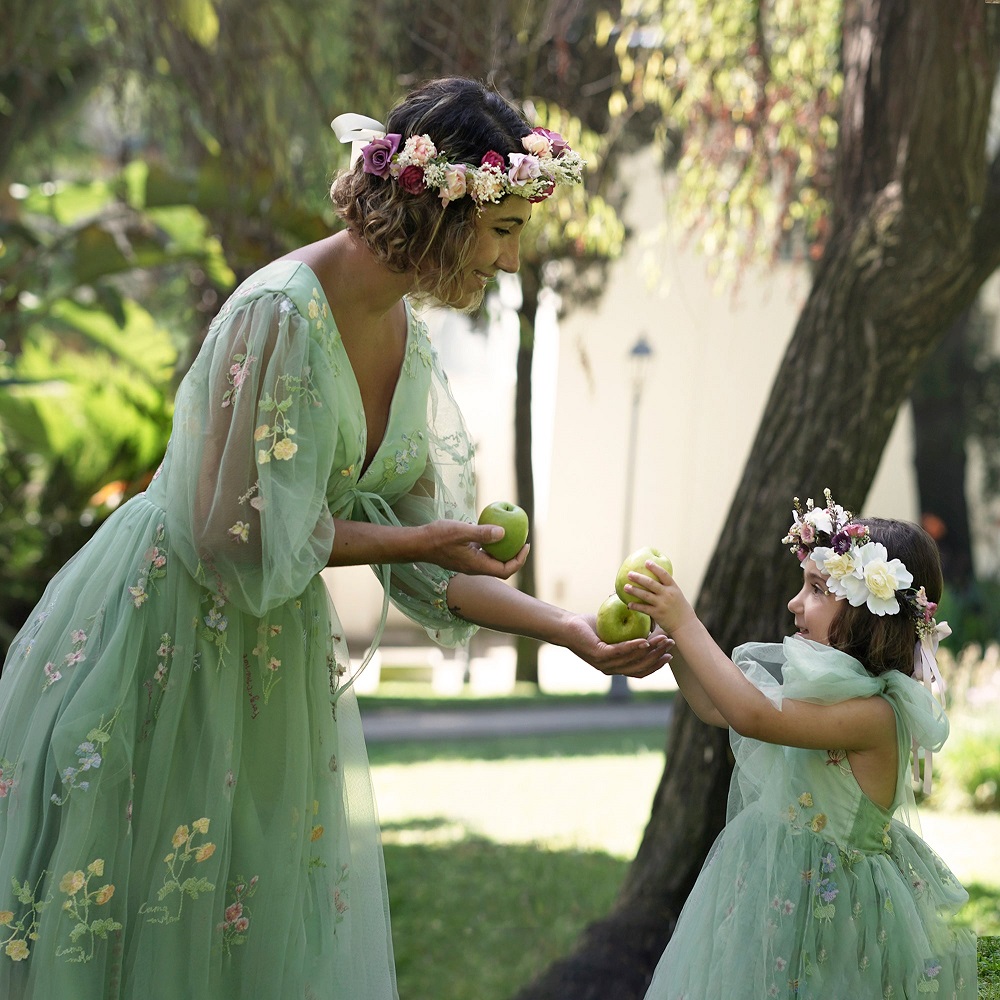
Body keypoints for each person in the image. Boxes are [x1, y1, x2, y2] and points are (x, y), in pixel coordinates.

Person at [0, 77, 669, 999]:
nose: (512, 262)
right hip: (164, 644)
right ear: (442, 209)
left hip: (268, 669)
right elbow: (231, 535)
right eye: (505, 230)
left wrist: (571, 631)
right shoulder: (280, 311)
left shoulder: (410, 339)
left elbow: (438, 569)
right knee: (144, 932)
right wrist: (419, 542)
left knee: (248, 939)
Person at [622, 490, 977, 999]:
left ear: (870, 610)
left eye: (816, 588)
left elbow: (752, 714)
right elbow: (718, 707)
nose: (794, 602)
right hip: (769, 889)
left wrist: (687, 621)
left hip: (831, 912)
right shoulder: (822, 691)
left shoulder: (875, 715)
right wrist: (673, 644)